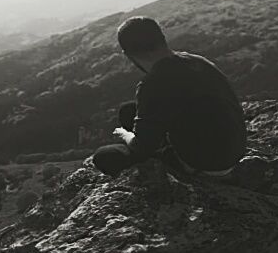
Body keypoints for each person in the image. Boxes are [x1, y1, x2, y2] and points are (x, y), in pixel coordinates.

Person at [90, 16, 246, 177]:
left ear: (128, 54)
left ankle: (184, 167)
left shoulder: (153, 84)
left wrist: (125, 135)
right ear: (162, 38)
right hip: (233, 150)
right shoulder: (198, 61)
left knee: (104, 156)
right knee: (128, 111)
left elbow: (141, 148)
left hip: (205, 164)